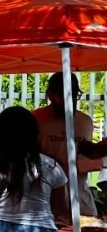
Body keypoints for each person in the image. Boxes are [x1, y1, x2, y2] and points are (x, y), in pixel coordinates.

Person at [32, 73, 96, 223]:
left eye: (74, 94)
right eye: (63, 94)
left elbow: (87, 158)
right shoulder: (36, 119)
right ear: (50, 95)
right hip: (47, 202)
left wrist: (96, 154)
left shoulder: (85, 121)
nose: (70, 100)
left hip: (81, 200)